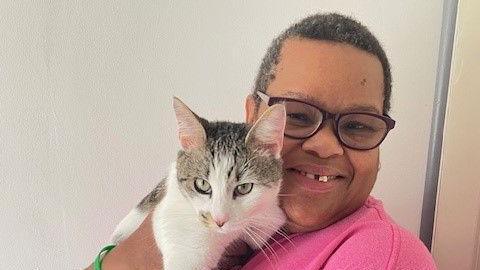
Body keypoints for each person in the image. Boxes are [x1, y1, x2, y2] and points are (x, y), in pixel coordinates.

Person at [86, 13, 436, 270]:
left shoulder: (383, 255)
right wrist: (124, 257)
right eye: (297, 116)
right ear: (253, 116)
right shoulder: (252, 217)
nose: (326, 146)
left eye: (359, 125)